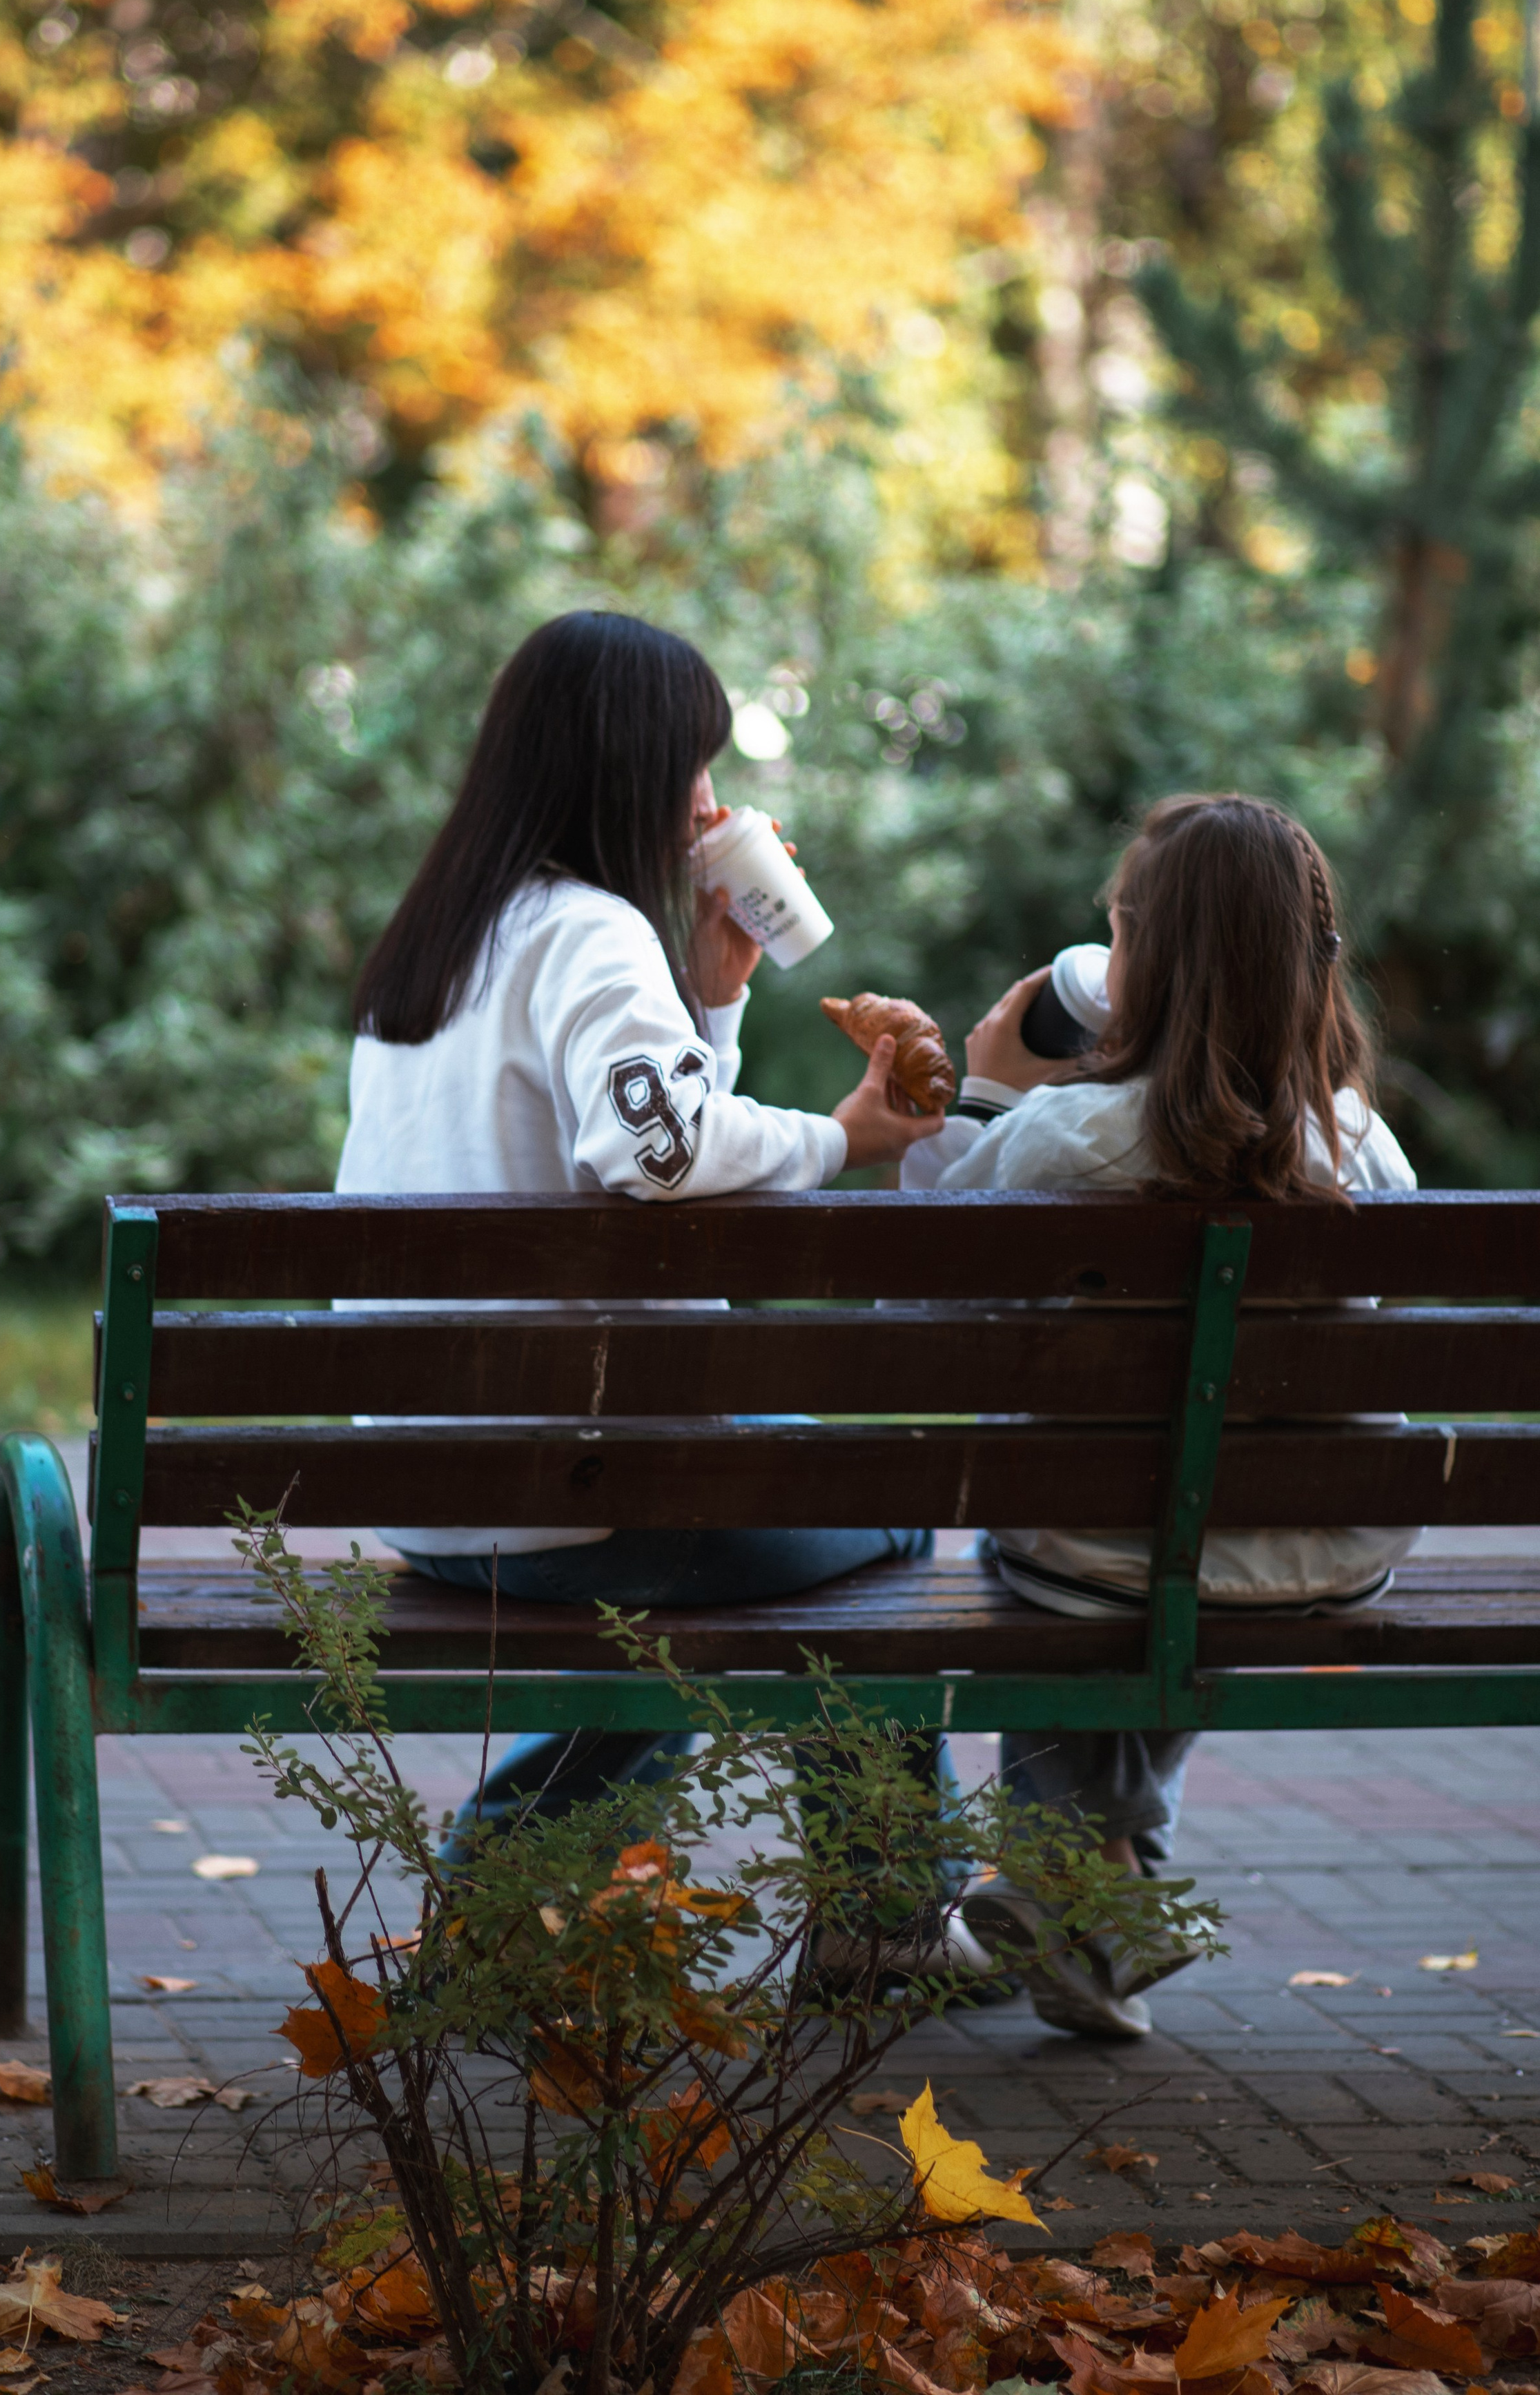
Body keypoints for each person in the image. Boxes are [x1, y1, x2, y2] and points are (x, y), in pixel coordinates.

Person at [334, 608, 964, 1986]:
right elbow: (664, 1153)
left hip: (427, 1486)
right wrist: (848, 1139)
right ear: (625, 770)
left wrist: (710, 1005)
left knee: (705, 1587)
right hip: (565, 1494)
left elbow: (641, 1140)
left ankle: (501, 1926)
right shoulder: (590, 932)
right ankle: (879, 1917)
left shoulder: (445, 941)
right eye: (693, 765)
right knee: (883, 1534)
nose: (711, 804)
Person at [900, 792, 1419, 2038]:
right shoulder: (1359, 1143)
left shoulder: (1060, 1136)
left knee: (1081, 1549)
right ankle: (1104, 1882)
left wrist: (982, 1088)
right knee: (1162, 1553)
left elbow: (920, 1293)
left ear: (1139, 962)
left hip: (1093, 1560)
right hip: (1324, 1558)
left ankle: (1076, 1873)